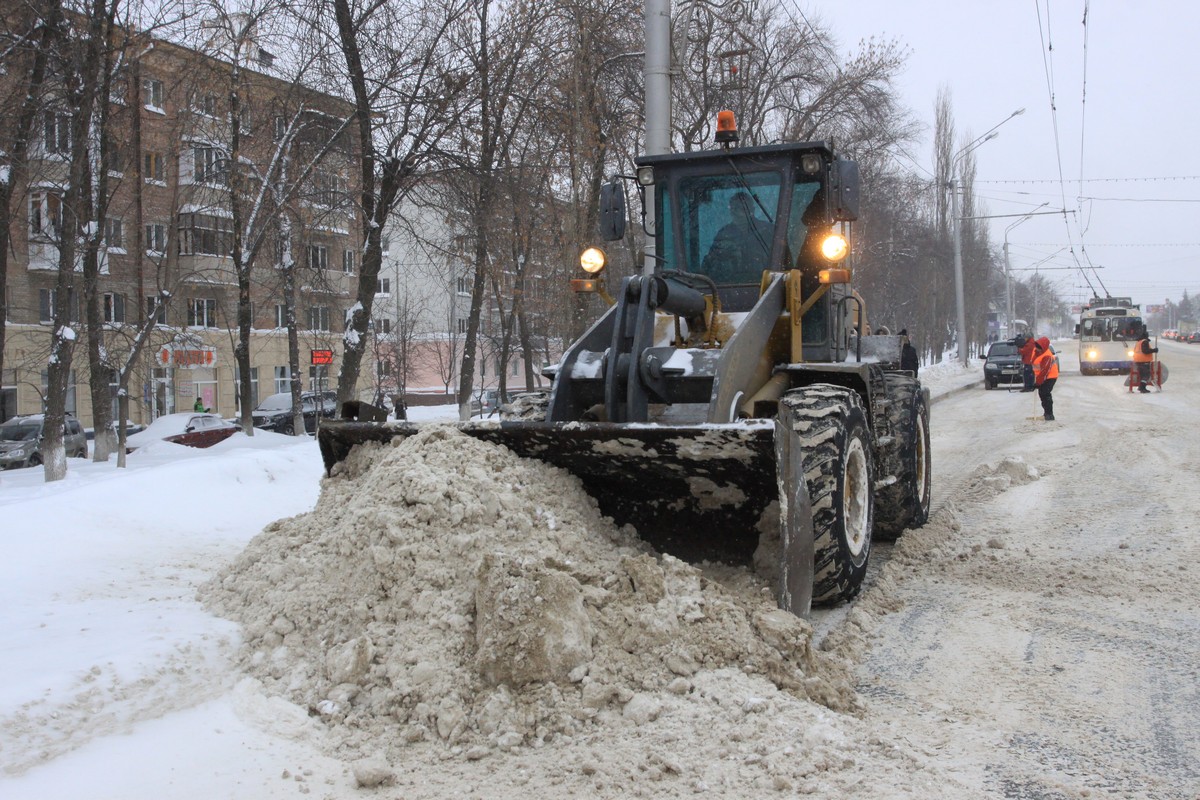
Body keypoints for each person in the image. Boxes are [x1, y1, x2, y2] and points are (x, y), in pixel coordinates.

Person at [700, 191, 775, 284]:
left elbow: (784, 263)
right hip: (729, 288)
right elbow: (709, 267)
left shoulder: (768, 231)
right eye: (733, 208)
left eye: (741, 208)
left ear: (752, 210)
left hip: (766, 286)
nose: (736, 212)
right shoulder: (723, 234)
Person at [1031, 336, 1059, 420]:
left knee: (1045, 393)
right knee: (1042, 394)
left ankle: (1049, 414)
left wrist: (1038, 383)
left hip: (1051, 376)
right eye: (1037, 346)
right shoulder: (1035, 351)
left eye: (1040, 347)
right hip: (1041, 377)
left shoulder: (1047, 356)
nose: (1038, 349)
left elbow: (1044, 371)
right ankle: (1046, 413)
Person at [1132, 325, 1158, 393]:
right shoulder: (1144, 341)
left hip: (1138, 361)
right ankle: (1142, 388)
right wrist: (1154, 350)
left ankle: (1141, 387)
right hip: (1144, 361)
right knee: (1146, 375)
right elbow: (1145, 351)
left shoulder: (1138, 342)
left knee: (1142, 375)